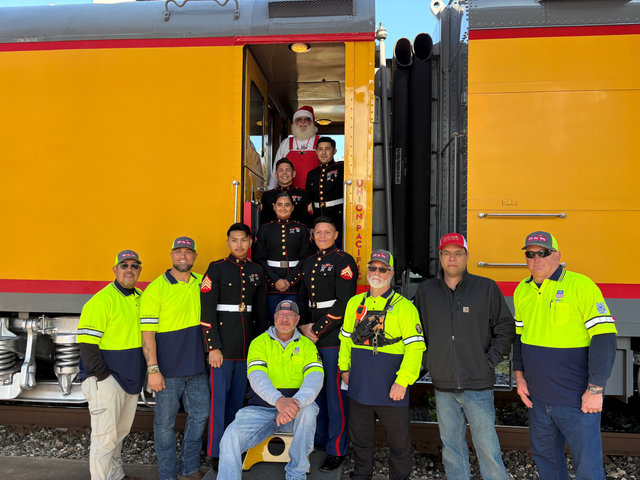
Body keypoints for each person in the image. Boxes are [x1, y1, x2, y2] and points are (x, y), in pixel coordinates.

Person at [513, 231, 617, 480]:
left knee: (588, 468)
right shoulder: (522, 291)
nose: (537, 258)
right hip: (538, 400)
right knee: (547, 461)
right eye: (531, 254)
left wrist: (595, 390)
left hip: (576, 400)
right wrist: (519, 377)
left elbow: (604, 337)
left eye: (544, 252)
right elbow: (519, 338)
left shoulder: (581, 285)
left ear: (557, 256)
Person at [414, 233, 514, 480]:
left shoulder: (486, 287)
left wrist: (489, 361)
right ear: (440, 256)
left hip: (478, 383)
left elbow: (505, 326)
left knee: (487, 446)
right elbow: (415, 332)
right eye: (447, 253)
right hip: (443, 384)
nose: (452, 258)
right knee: (451, 447)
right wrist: (429, 362)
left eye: (458, 253)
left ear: (467, 257)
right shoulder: (426, 291)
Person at [339, 249, 425, 480]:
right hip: (359, 386)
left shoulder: (405, 307)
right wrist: (344, 369)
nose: (377, 272)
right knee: (360, 440)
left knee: (399, 444)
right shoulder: (354, 303)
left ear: (392, 273)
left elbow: (416, 348)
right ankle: (361, 476)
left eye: (383, 269)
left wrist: (403, 381)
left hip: (391, 387)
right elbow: (345, 339)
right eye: (373, 268)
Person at [216, 300, 324, 480]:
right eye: (281, 315)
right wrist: (279, 401)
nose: (284, 319)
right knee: (230, 436)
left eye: (290, 316)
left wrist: (293, 404)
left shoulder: (307, 346)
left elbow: (315, 378)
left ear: (297, 320)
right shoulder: (259, 343)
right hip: (261, 408)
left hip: (296, 409)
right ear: (274, 317)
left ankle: (296, 475)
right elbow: (257, 377)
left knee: (309, 411)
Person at [140, 237, 209, 480]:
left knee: (200, 415)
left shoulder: (203, 282)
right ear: (170, 255)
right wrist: (153, 370)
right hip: (168, 371)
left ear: (195, 256)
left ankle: (188, 468)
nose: (183, 256)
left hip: (197, 368)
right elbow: (147, 334)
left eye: (188, 252)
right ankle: (167, 474)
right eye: (178, 252)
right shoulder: (156, 288)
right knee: (164, 424)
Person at [200, 223, 268, 469]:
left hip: (246, 348)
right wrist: (213, 347)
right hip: (223, 348)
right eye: (234, 240)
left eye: (243, 240)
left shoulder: (257, 270)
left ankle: (234, 447)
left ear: (250, 242)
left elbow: (260, 313)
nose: (239, 244)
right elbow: (206, 311)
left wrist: (261, 347)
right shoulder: (216, 268)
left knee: (238, 403)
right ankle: (217, 453)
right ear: (228, 242)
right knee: (219, 402)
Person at [77, 249, 146, 480]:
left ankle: (115, 476)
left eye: (134, 266)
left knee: (119, 434)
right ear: (115, 269)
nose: (129, 270)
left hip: (129, 379)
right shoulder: (100, 301)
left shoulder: (140, 298)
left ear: (139, 270)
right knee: (104, 438)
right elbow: (87, 344)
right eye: (124, 265)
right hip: (107, 380)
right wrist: (103, 377)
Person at [298, 216, 358, 471]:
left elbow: (344, 303)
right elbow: (301, 297)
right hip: (310, 334)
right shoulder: (308, 262)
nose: (322, 236)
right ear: (313, 235)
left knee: (335, 395)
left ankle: (337, 447)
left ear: (336, 235)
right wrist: (303, 326)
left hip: (332, 337)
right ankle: (320, 439)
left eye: (328, 232)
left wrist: (318, 329)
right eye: (318, 232)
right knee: (315, 392)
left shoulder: (344, 261)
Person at [254, 192, 314, 318]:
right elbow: (260, 258)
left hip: (295, 285)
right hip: (271, 285)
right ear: (274, 207)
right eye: (279, 205)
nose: (283, 208)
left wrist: (288, 280)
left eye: (287, 205)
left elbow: (305, 258)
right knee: (273, 319)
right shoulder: (265, 229)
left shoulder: (301, 229)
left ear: (292, 207)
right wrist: (275, 280)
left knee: (293, 319)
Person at [268, 105, 320, 190]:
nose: (303, 122)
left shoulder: (320, 141)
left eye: (307, 119)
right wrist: (270, 191)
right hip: (289, 196)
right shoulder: (286, 143)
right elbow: (276, 170)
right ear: (294, 122)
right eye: (299, 119)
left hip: (314, 195)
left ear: (312, 122)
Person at [260, 158, 314, 227]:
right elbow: (263, 222)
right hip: (273, 235)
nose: (284, 173)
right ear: (276, 175)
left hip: (297, 235)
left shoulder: (304, 194)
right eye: (280, 170)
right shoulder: (267, 195)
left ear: (293, 174)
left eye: (287, 170)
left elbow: (308, 221)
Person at [305, 136, 344, 228]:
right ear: (316, 152)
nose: (323, 153)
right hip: (317, 218)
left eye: (327, 149)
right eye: (320, 149)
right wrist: (311, 226)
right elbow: (309, 201)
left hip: (337, 218)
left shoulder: (341, 168)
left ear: (334, 151)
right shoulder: (312, 174)